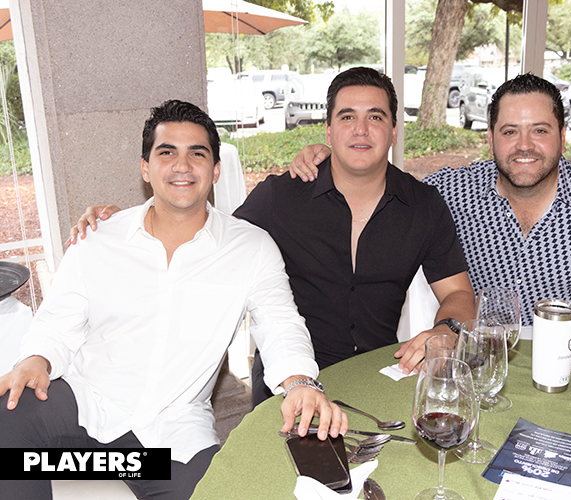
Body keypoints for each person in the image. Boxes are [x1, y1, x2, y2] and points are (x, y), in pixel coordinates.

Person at [67, 68, 476, 407]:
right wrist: (128, 222)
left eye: (376, 117)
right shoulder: (283, 197)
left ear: (394, 131)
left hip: (379, 377)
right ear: (328, 130)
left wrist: (448, 329)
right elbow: (206, 236)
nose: (361, 130)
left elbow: (459, 294)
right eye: (347, 117)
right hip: (286, 383)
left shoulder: (423, 206)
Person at [0, 100, 346, 500]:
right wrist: (36, 358)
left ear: (215, 170)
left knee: (214, 494)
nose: (182, 165)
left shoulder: (252, 248)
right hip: (86, 409)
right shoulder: (98, 238)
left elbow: (281, 324)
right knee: (10, 414)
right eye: (167, 153)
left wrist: (300, 382)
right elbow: (57, 322)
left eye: (197, 154)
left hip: (174, 436)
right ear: (145, 168)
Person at [289, 73, 571, 330]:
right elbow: (381, 185)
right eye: (510, 132)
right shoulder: (451, 191)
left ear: (562, 137)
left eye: (540, 130)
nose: (524, 146)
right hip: (482, 368)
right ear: (490, 139)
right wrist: (336, 158)